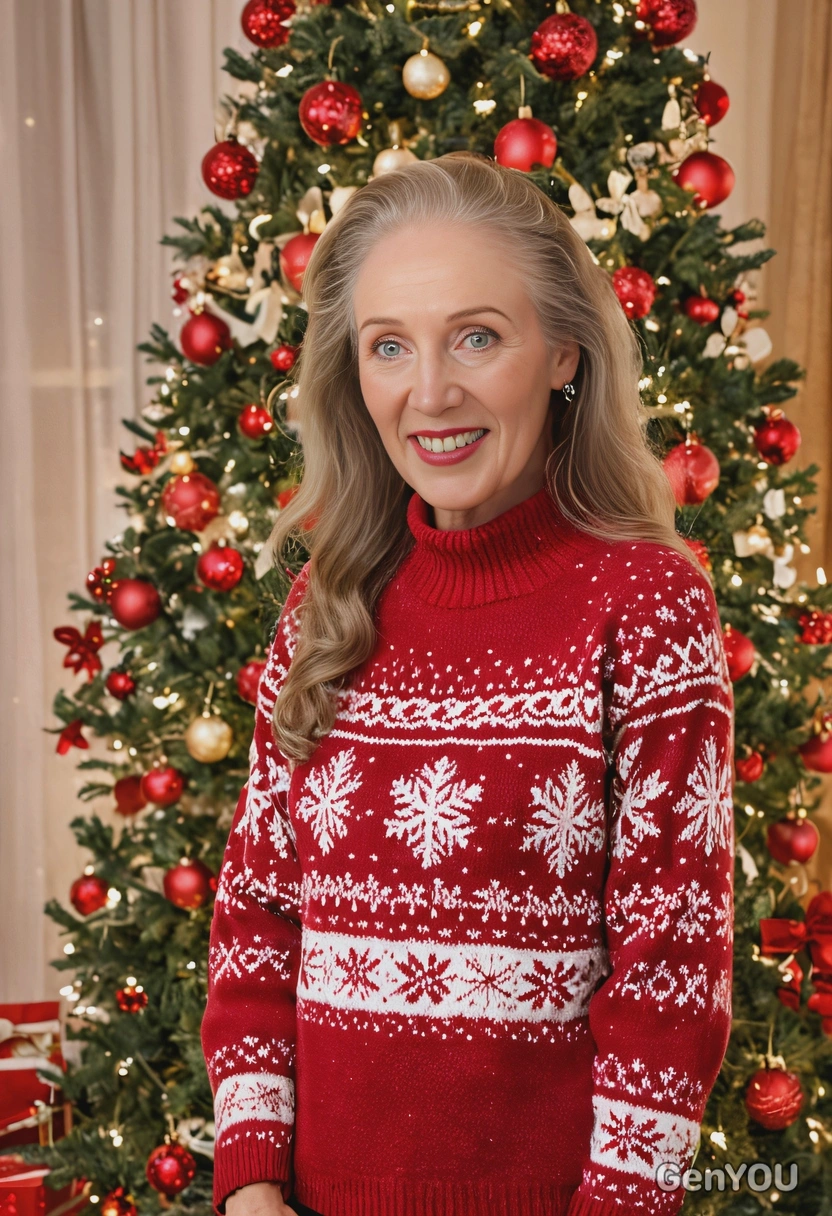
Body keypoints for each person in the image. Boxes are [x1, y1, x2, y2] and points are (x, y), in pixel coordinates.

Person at [200, 152, 735, 1216]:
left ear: (562, 352)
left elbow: (670, 977)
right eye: (388, 346)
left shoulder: (645, 605)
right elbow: (257, 914)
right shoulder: (328, 601)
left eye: (477, 336)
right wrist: (251, 1182)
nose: (429, 391)